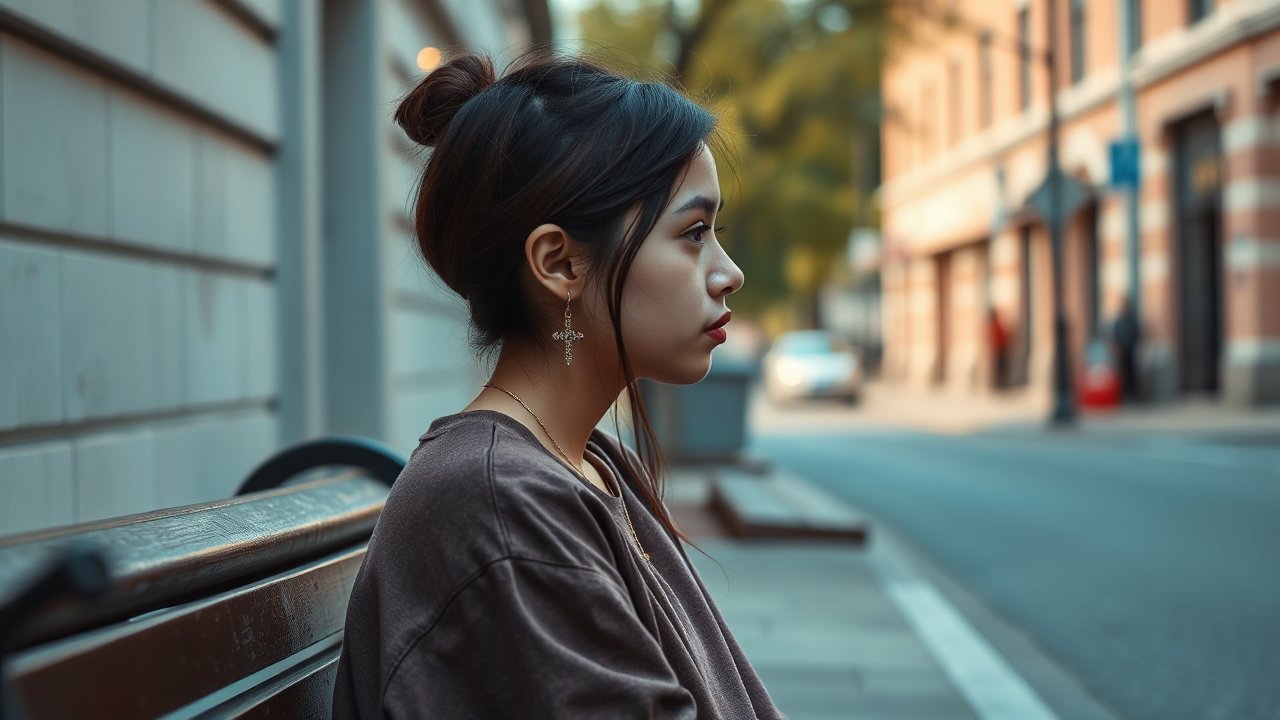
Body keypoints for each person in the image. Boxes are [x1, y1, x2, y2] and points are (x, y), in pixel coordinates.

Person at [330, 52, 785, 719]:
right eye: (693, 233)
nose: (729, 273)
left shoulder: (586, 465)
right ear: (559, 264)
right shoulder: (500, 504)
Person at [1112, 295, 1141, 403]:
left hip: (1131, 350)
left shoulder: (1131, 319)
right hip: (1122, 351)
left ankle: (1133, 395)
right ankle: (1123, 395)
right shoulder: (1119, 321)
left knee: (1132, 373)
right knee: (1122, 374)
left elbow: (1137, 332)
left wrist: (1133, 344)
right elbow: (1115, 335)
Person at [986, 307, 1010, 391]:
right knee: (998, 369)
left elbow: (1002, 337)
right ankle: (998, 384)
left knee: (1001, 369)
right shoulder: (993, 326)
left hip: (1001, 350)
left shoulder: (997, 326)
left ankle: (1000, 384)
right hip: (998, 350)